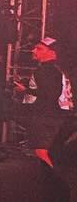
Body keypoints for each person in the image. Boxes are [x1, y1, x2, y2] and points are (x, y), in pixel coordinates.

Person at [22, 36, 75, 168]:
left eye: (39, 49)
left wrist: (25, 90)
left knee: (41, 152)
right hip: (59, 115)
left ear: (52, 53)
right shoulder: (58, 70)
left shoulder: (46, 71)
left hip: (47, 116)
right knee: (51, 153)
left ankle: (52, 182)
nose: (34, 51)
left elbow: (49, 94)